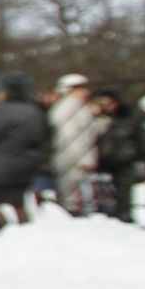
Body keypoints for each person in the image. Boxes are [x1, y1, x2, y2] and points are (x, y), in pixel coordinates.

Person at [0, 72, 50, 230]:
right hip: (28, 162)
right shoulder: (35, 111)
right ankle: (24, 230)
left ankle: (3, 230)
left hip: (1, 163)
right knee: (18, 202)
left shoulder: (2, 111)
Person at [93, 89, 145, 223]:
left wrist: (144, 159)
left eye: (107, 103)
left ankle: (124, 217)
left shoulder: (128, 119)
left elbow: (142, 141)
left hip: (124, 161)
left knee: (123, 192)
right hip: (101, 161)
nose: (104, 106)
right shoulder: (96, 119)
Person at [48, 73, 103, 215]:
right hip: (73, 157)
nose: (86, 92)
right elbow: (71, 136)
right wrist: (85, 159)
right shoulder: (69, 107)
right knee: (72, 193)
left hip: (75, 156)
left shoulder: (77, 107)